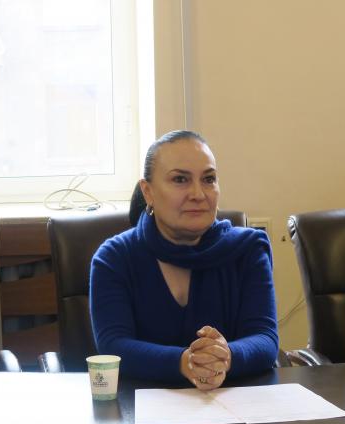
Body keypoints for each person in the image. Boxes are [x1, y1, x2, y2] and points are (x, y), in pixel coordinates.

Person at [90, 130, 279, 390]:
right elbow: (114, 345)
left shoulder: (247, 250)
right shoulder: (114, 258)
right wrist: (184, 362)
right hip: (141, 407)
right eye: (180, 179)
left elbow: (265, 339)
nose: (198, 194)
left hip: (233, 404)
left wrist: (226, 356)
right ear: (148, 191)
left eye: (209, 179)